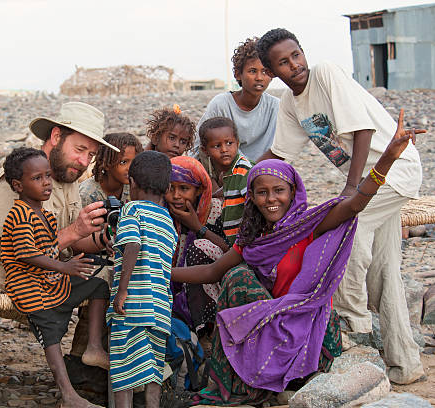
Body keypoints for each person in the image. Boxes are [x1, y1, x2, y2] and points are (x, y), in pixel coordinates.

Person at [171, 109, 420, 405]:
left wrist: (388, 158)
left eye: (279, 191)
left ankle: (271, 381)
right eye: (262, 193)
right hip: (271, 319)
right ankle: (241, 386)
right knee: (237, 277)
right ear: (252, 197)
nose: (271, 199)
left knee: (243, 281)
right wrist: (158, 272)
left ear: (293, 192)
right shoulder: (253, 237)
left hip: (303, 320)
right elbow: (212, 272)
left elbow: (354, 206)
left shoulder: (308, 226)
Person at [256, 28, 424, 384]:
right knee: (385, 271)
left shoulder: (327, 73)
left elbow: (362, 130)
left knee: (349, 229)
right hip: (369, 183)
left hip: (395, 171)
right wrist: (241, 176)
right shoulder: (290, 105)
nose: (295, 65)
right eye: (283, 63)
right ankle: (406, 364)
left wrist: (351, 189)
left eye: (296, 55)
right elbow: (280, 154)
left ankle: (352, 318)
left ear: (304, 53)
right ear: (273, 73)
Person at [0, 102, 119, 294]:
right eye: (79, 150)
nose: (84, 162)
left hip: (51, 270)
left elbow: (73, 242)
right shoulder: (18, 179)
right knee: (101, 279)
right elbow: (17, 253)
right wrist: (74, 231)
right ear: (56, 137)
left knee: (112, 273)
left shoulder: (68, 175)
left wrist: (104, 237)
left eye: (91, 155)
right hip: (10, 279)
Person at [0, 147, 109, 408]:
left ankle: (93, 347)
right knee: (50, 333)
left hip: (49, 281)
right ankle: (68, 395)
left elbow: (49, 249)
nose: (47, 182)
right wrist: (65, 267)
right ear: (18, 185)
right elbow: (27, 255)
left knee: (99, 284)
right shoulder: (19, 215)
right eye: (37, 178)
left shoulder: (46, 215)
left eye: (48, 176)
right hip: (27, 286)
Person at [107, 151, 178, 408]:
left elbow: (134, 246)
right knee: (153, 368)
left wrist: (122, 291)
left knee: (124, 367)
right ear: (167, 188)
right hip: (160, 305)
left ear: (132, 183)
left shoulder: (131, 209)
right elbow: (159, 258)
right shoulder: (168, 220)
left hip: (133, 302)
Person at [190, 37, 279, 169]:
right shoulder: (221, 105)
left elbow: (282, 148)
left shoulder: (275, 107)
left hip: (263, 172)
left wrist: (252, 174)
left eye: (265, 72)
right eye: (252, 71)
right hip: (225, 171)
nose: (259, 78)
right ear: (238, 74)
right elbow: (199, 147)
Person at [164, 156, 227, 334]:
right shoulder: (162, 211)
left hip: (211, 283)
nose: (176, 196)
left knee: (200, 247)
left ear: (199, 190)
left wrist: (198, 227)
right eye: (170, 188)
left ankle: (207, 329)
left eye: (184, 189)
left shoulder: (215, 209)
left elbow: (229, 251)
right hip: (173, 284)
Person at [199, 117, 252, 245]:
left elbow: (253, 204)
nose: (224, 149)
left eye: (229, 143)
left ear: (237, 143)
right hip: (231, 237)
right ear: (205, 150)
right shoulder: (228, 173)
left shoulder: (243, 170)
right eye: (217, 146)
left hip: (245, 240)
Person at [79, 132, 143, 207]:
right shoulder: (87, 194)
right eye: (123, 162)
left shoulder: (132, 186)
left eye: (134, 162)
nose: (130, 168)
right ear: (107, 163)